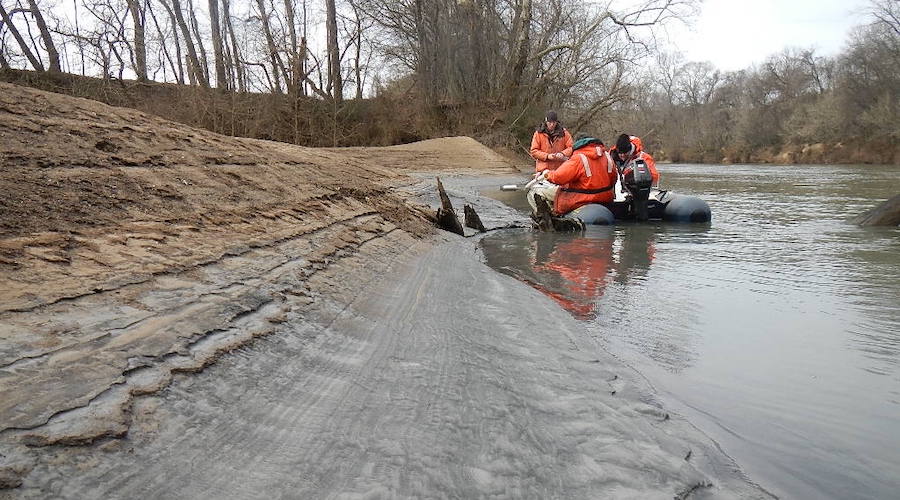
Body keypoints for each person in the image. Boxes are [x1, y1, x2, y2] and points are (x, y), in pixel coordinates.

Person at [527, 135, 618, 217]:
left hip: (581, 199)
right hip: (605, 199)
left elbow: (558, 178)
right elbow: (614, 179)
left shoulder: (578, 158)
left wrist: (546, 174)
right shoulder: (607, 156)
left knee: (535, 192)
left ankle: (549, 218)